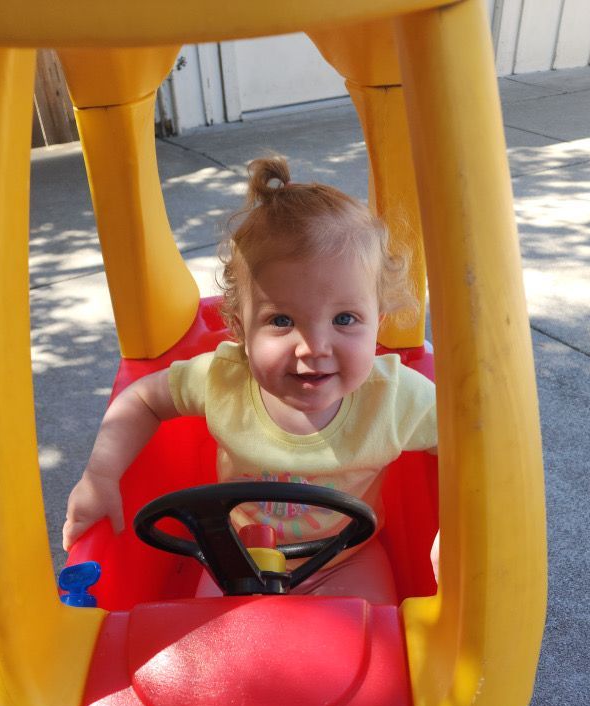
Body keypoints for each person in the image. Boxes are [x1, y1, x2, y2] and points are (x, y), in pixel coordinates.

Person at [63, 156, 438, 603]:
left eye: (344, 319)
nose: (313, 347)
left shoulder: (394, 398)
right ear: (240, 330)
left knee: (375, 636)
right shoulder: (224, 381)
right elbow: (142, 399)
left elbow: (473, 440)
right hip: (234, 556)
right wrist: (100, 475)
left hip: (346, 560)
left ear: (378, 322)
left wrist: (457, 527)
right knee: (204, 640)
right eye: (281, 320)